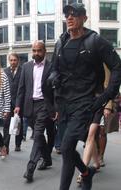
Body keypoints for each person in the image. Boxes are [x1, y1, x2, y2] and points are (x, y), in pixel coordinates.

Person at [48, 3, 121, 190]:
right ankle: (87, 173)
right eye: (67, 15)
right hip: (65, 104)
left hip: (85, 103)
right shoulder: (60, 42)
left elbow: (117, 66)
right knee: (67, 149)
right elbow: (54, 70)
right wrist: (53, 80)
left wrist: (107, 95)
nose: (69, 18)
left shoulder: (95, 41)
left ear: (84, 18)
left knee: (65, 148)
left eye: (74, 14)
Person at [14, 40, 56, 182]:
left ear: (44, 51)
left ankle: (30, 168)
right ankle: (48, 159)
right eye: (34, 50)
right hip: (29, 106)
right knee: (39, 136)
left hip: (44, 104)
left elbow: (57, 90)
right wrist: (18, 105)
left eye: (39, 50)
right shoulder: (26, 67)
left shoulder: (51, 67)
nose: (36, 53)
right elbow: (21, 88)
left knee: (37, 134)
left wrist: (56, 108)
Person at [2, 53, 24, 152]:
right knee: (6, 124)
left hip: (19, 102)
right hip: (7, 102)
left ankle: (18, 144)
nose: (13, 62)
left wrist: (19, 103)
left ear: (18, 60)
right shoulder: (5, 71)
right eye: (11, 60)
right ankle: (5, 146)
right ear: (9, 61)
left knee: (18, 123)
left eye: (14, 60)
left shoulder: (23, 70)